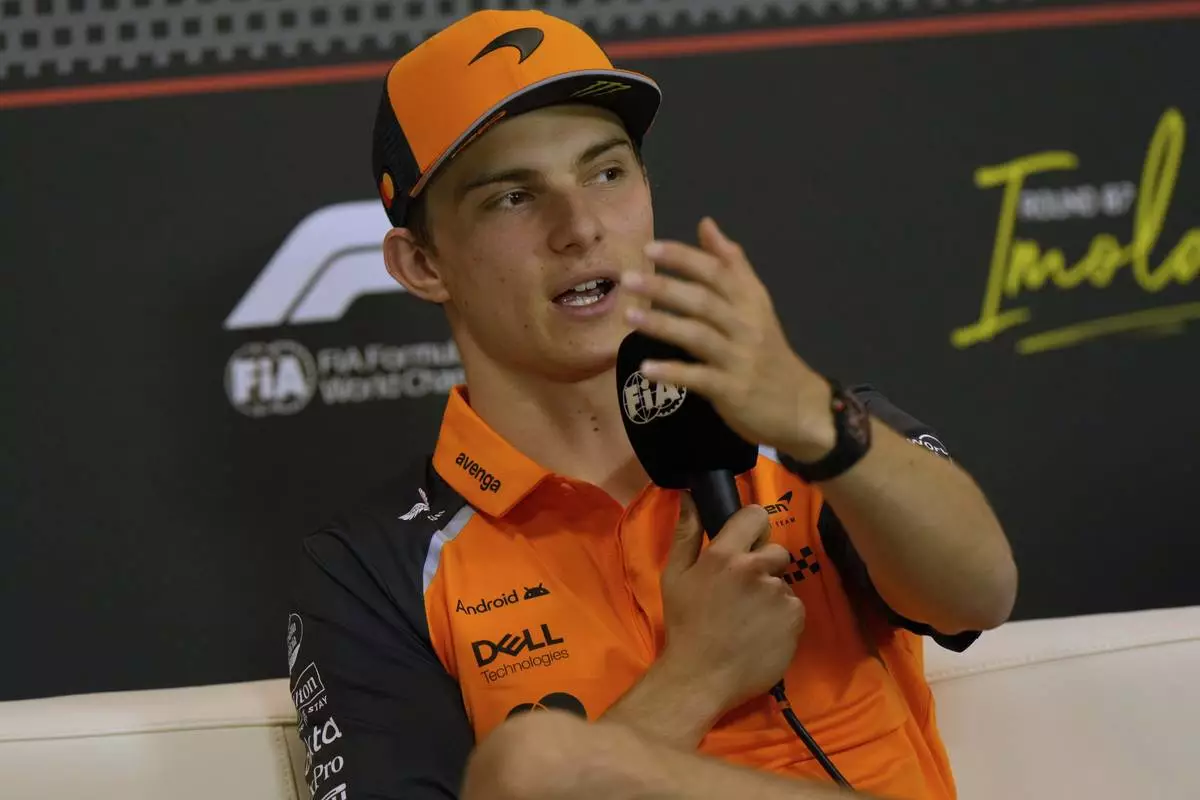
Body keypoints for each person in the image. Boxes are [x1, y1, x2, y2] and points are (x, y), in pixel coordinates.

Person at [284, 9, 1018, 800]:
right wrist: (696, 678)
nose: (581, 228)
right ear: (423, 264)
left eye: (607, 173)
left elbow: (980, 593)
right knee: (530, 769)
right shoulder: (373, 570)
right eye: (511, 198)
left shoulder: (809, 432)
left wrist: (810, 414)